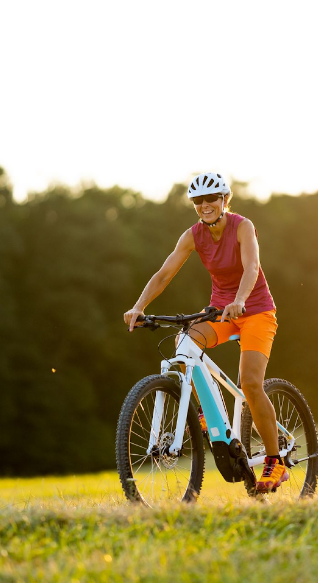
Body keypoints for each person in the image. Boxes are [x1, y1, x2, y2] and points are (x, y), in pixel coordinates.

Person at [123, 172, 288, 493]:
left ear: (225, 200)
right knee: (184, 342)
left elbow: (252, 266)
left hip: (255, 311)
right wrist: (139, 305)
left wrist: (240, 300)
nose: (205, 205)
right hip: (219, 313)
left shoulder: (243, 226)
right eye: (198, 201)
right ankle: (205, 410)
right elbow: (164, 273)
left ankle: (274, 460)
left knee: (252, 383)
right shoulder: (193, 235)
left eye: (211, 199)